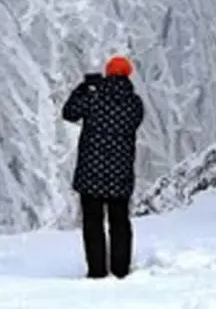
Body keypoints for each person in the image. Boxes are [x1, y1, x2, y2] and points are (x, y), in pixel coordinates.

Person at [61, 55, 145, 279]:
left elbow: (68, 113)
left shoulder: (94, 97)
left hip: (91, 172)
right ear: (128, 75)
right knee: (120, 222)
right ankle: (120, 270)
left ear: (107, 74)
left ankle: (97, 270)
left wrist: (84, 87)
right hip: (120, 174)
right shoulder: (135, 104)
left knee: (93, 223)